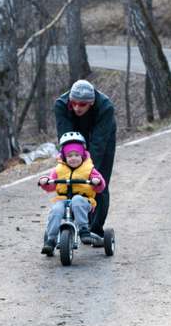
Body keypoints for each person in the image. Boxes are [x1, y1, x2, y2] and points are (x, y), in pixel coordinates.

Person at [53, 79, 116, 243]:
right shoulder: (61, 105)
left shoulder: (105, 108)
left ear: (91, 102)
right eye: (73, 104)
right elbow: (66, 141)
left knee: (98, 177)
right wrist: (71, 163)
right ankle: (75, 217)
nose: (77, 108)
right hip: (74, 131)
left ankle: (96, 228)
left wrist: (87, 169)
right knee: (71, 175)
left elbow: (98, 145)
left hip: (103, 135)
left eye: (82, 105)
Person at [38, 132, 106, 255]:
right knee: (56, 209)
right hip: (64, 200)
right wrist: (45, 181)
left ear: (83, 155)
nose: (73, 158)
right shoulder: (59, 169)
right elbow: (51, 186)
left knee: (77, 200)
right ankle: (51, 239)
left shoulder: (89, 169)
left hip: (84, 201)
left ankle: (84, 229)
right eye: (69, 155)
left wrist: (97, 181)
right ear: (64, 157)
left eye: (77, 155)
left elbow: (101, 186)